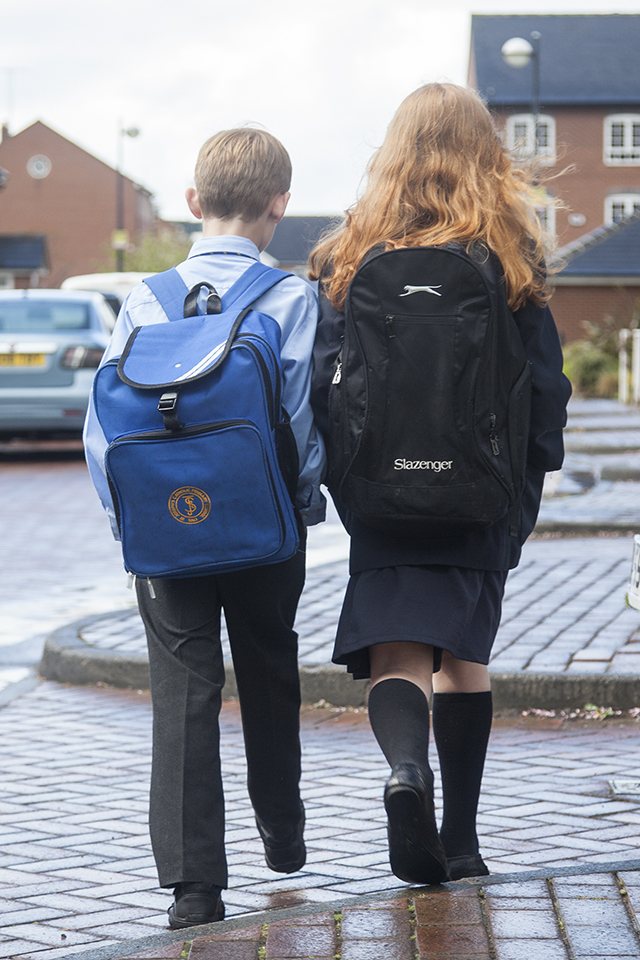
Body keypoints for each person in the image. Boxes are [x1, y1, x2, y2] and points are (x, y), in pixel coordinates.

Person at [309, 83, 571, 886]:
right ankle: (461, 842)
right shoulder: (511, 255)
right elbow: (547, 388)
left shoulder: (349, 255)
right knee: (464, 656)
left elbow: (323, 383)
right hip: (480, 492)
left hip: (383, 493)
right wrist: (529, 484)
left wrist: (349, 484)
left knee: (399, 650)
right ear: (485, 151)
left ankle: (403, 771)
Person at [84, 128, 326, 927]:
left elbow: (103, 430)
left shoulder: (144, 299)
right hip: (266, 530)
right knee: (268, 671)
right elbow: (300, 420)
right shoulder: (292, 298)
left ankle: (194, 887)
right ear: (279, 206)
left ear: (193, 203)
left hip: (166, 537)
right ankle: (282, 831)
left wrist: (133, 523)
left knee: (183, 692)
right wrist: (300, 498)